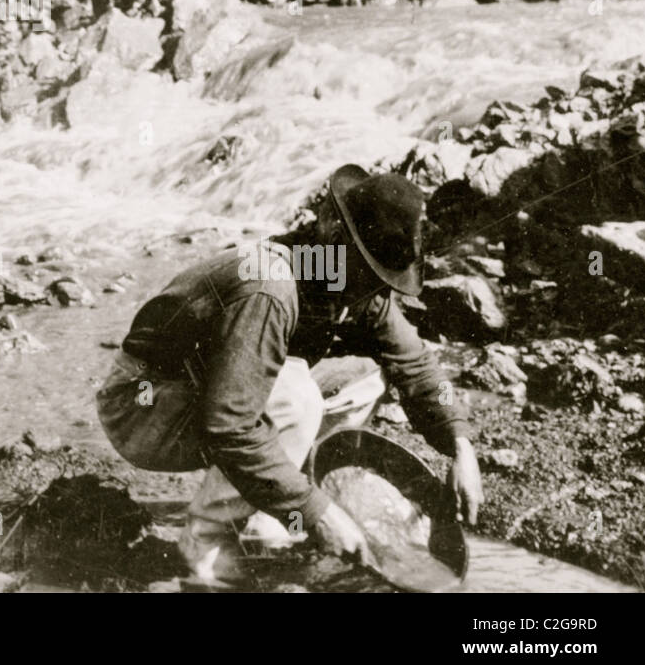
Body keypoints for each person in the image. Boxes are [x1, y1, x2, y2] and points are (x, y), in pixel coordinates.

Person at [96, 164, 484, 586]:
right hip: (141, 407)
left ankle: (269, 518)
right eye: (372, 276)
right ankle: (205, 543)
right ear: (336, 240)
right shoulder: (269, 287)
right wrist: (319, 511)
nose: (378, 294)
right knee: (296, 398)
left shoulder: (345, 276)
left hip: (201, 395)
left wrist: (460, 442)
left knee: (364, 378)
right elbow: (229, 424)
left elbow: (416, 363)